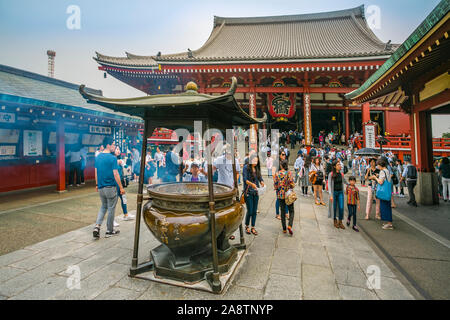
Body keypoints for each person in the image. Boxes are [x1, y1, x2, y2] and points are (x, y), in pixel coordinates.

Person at [93, 138, 124, 239]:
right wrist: (121, 187)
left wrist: (97, 185)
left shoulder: (98, 157)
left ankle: (97, 227)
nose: (114, 147)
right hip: (110, 186)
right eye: (113, 145)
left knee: (103, 207)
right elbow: (116, 174)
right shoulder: (112, 158)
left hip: (101, 187)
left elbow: (96, 172)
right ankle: (109, 231)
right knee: (111, 208)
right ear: (108, 145)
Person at [369, 157, 394, 230]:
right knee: (386, 207)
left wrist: (375, 177)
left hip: (383, 192)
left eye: (378, 164)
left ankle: (389, 224)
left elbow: (380, 182)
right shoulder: (387, 170)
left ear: (381, 164)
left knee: (385, 207)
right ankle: (387, 222)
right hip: (387, 191)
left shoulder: (383, 171)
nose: (377, 166)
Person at [243, 154, 264, 236]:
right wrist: (252, 184)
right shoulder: (246, 168)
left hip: (256, 191)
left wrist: (262, 182)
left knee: (255, 211)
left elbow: (259, 177)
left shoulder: (257, 168)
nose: (255, 163)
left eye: (256, 161)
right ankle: (247, 226)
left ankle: (253, 227)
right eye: (254, 161)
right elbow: (245, 179)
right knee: (250, 210)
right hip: (248, 192)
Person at [274, 160, 295, 235]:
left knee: (282, 211)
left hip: (280, 195)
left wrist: (278, 188)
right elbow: (292, 183)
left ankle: (284, 229)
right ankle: (289, 225)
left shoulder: (277, 174)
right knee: (291, 210)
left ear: (281, 165)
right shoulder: (289, 173)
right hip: (288, 194)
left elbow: (275, 185)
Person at [114, 147, 135, 222]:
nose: (118, 151)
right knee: (113, 201)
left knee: (123, 197)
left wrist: (128, 168)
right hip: (114, 183)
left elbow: (124, 165)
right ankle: (111, 220)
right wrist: (117, 162)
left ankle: (126, 214)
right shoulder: (112, 160)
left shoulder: (120, 160)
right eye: (117, 149)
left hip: (120, 183)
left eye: (119, 149)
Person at [328, 160, 348, 229]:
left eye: (340, 164)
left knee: (341, 207)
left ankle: (340, 221)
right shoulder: (331, 174)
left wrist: (350, 185)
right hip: (334, 193)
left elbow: (345, 181)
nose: (340, 166)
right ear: (334, 166)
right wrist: (330, 195)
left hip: (340, 192)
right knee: (334, 207)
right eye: (338, 165)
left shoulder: (341, 174)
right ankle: (334, 220)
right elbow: (329, 185)